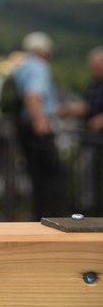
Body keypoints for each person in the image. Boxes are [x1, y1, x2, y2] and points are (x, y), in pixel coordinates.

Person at [11, 32, 66, 218]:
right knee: (52, 176)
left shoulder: (22, 66)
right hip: (37, 128)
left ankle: (39, 215)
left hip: (25, 126)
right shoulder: (38, 67)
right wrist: (40, 121)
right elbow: (33, 94)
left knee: (36, 175)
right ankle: (51, 217)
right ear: (43, 51)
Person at [60, 47, 103, 214]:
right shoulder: (92, 85)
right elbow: (88, 106)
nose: (95, 70)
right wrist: (69, 110)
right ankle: (88, 207)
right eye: (94, 67)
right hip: (93, 139)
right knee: (84, 168)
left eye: (99, 67)